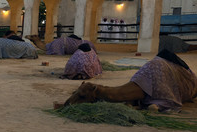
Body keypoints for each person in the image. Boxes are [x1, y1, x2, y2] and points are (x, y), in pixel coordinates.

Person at [62, 49, 197, 112]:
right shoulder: (142, 77)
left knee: (151, 102)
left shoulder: (155, 72)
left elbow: (170, 100)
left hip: (186, 80)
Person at [25, 34, 96, 55]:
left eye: (31, 36)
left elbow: (56, 53)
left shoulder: (55, 44)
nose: (28, 36)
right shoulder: (55, 43)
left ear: (37, 38)